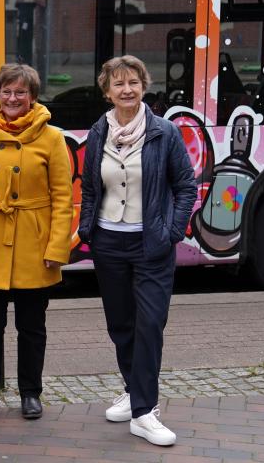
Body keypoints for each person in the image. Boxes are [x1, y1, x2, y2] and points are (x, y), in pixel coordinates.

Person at [78, 55, 196, 446]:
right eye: (118, 84)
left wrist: (172, 231)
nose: (126, 89)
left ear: (143, 86)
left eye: (133, 82)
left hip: (151, 244)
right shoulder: (98, 133)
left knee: (150, 324)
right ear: (107, 90)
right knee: (121, 325)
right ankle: (133, 391)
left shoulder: (164, 132)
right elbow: (93, 187)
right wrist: (88, 230)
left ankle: (145, 412)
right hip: (109, 242)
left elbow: (185, 186)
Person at [0, 63, 73, 425]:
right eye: (6, 91)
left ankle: (30, 393)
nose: (12, 98)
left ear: (32, 97)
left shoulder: (52, 138)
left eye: (20, 92)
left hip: (34, 247)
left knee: (32, 327)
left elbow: (63, 198)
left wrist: (56, 249)